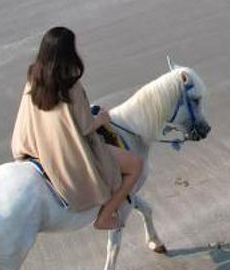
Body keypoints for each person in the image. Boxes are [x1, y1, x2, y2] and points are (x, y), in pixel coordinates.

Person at [10, 26, 143, 230]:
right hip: (69, 151)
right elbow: (84, 127)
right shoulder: (71, 84)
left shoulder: (33, 78)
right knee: (135, 165)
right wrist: (101, 118)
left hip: (37, 145)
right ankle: (105, 217)